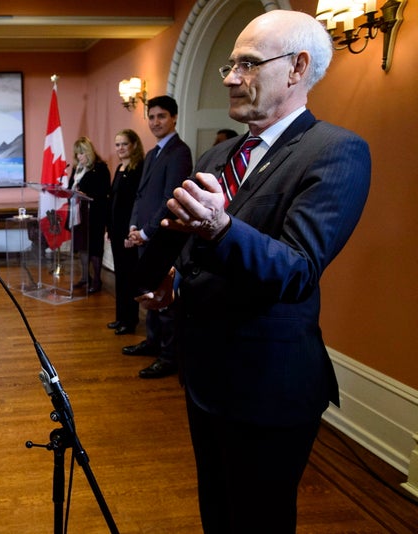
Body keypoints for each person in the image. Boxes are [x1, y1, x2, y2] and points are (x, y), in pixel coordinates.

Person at [138, 10, 370, 533]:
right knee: (217, 515)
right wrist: (170, 271)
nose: (228, 77)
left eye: (247, 63)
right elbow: (195, 247)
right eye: (229, 64)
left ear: (297, 68)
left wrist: (218, 227)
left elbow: (297, 270)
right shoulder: (221, 152)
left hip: (269, 388)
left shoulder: (335, 152)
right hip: (205, 378)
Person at [122, 95, 193, 379]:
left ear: (174, 118)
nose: (155, 122)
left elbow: (170, 198)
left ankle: (168, 356)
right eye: (151, 117)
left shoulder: (180, 152)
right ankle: (152, 342)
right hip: (144, 235)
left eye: (161, 116)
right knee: (148, 293)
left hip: (163, 237)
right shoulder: (152, 154)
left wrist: (147, 231)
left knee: (165, 300)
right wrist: (133, 226)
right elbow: (140, 196)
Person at [106, 129, 144, 335]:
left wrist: (132, 232)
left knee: (129, 278)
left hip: (128, 231)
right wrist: (109, 228)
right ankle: (120, 317)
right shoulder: (120, 168)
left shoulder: (139, 169)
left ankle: (130, 321)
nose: (120, 148)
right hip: (116, 230)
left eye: (124, 144)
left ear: (134, 145)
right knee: (120, 276)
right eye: (117, 145)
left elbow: (135, 205)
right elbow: (113, 201)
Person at [67, 136, 111, 294]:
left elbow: (104, 191)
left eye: (82, 153)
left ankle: (97, 280)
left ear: (89, 152)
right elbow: (70, 186)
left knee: (94, 248)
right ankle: (85, 277)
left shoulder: (100, 168)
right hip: (79, 214)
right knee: (82, 247)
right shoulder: (77, 168)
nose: (79, 157)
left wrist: (85, 194)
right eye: (77, 154)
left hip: (94, 215)